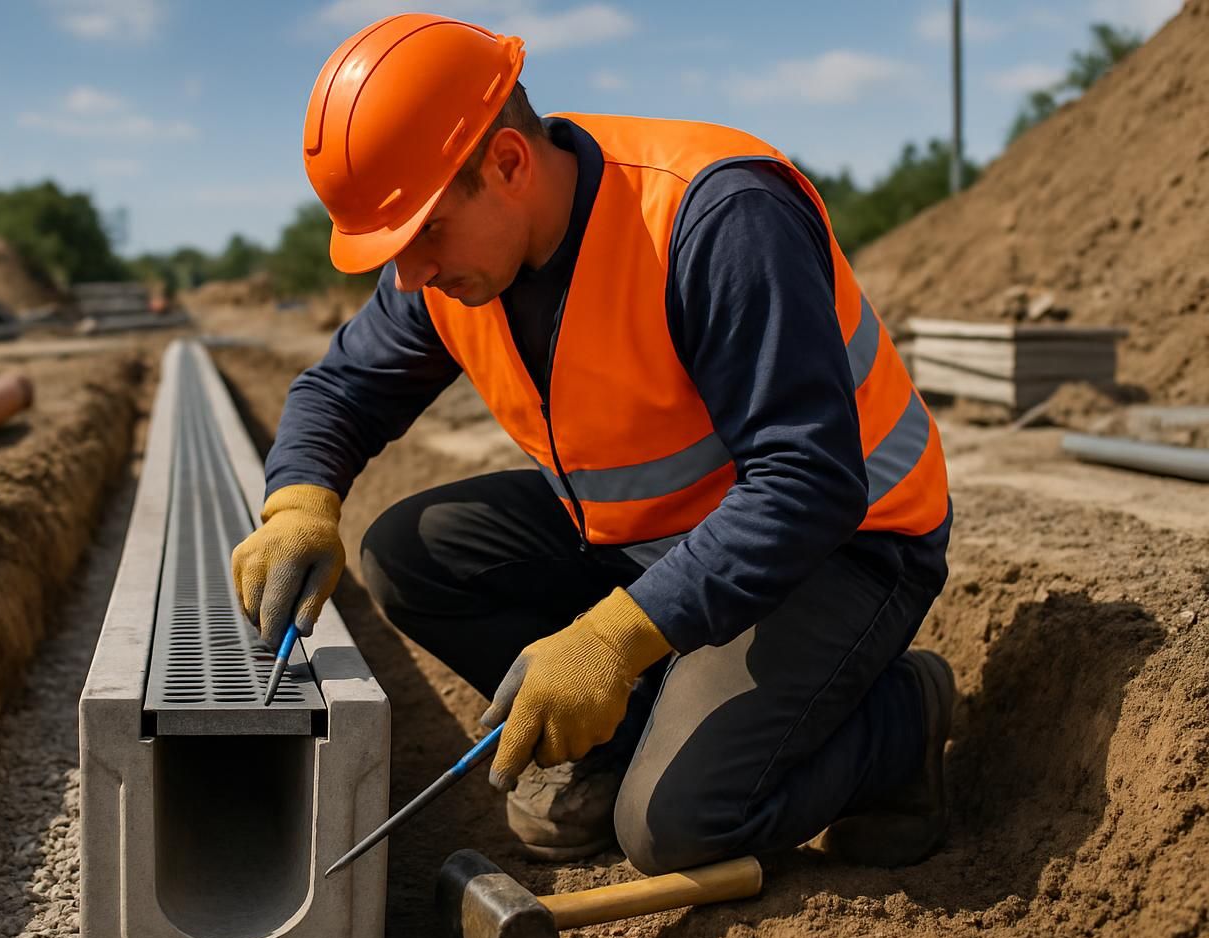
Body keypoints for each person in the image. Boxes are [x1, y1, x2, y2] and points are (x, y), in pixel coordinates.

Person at [232, 13, 955, 871]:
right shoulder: (450, 273)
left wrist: (612, 637)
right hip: (653, 539)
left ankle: (902, 719)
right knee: (409, 554)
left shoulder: (714, 216)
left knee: (677, 827)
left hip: (841, 546)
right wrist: (299, 500)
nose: (411, 274)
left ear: (507, 164)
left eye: (422, 233)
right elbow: (340, 388)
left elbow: (806, 481)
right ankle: (620, 735)